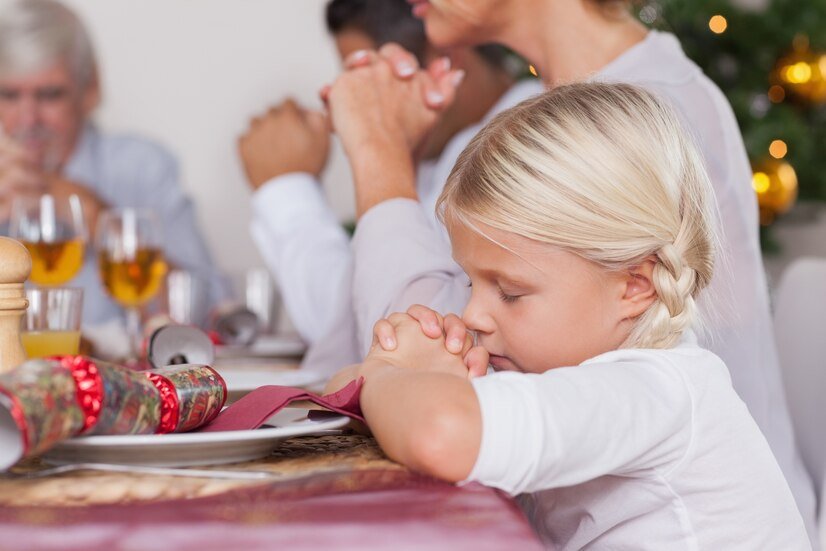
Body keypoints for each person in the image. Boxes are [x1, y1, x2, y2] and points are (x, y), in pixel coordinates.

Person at [326, 0, 819, 541]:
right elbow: (349, 388)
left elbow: (442, 433)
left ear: (636, 284)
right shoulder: (565, 363)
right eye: (471, 282)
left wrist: (388, 378)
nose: (471, 315)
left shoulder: (657, 390)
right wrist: (389, 371)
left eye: (509, 293)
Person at [237, 0, 542, 374]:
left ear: (446, 56)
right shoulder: (443, 152)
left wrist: (368, 148)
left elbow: (397, 343)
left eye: (369, 79)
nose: (348, 97)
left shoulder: (527, 143)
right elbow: (356, 318)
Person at [0, 0, 227, 332]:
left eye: (49, 95)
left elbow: (207, 310)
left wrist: (95, 218)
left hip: (119, 381)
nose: (28, 118)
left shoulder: (140, 166)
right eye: (8, 95)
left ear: (90, 88)